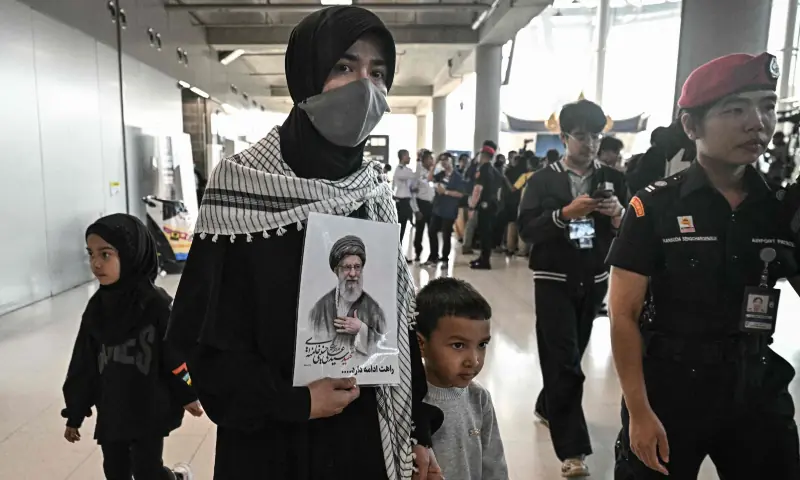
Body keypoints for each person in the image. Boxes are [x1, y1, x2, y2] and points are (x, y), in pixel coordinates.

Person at [165, 7, 443, 480]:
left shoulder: (372, 190)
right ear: (304, 75)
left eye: (378, 73)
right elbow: (198, 346)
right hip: (273, 443)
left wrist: (417, 433)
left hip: (364, 438)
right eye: (344, 67)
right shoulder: (242, 189)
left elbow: (392, 327)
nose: (365, 87)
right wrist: (295, 401)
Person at [608, 52, 800, 479]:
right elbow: (623, 315)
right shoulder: (653, 207)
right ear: (692, 126)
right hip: (670, 389)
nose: (758, 123)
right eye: (736, 109)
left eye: (767, 106)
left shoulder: (781, 210)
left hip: (756, 384)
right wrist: (638, 411)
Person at [517, 99, 628, 478]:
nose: (591, 143)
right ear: (564, 138)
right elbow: (528, 228)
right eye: (581, 135)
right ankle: (573, 450)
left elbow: (627, 233)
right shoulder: (543, 180)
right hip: (552, 279)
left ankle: (549, 406)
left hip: (594, 278)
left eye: (596, 135)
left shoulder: (612, 179)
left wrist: (617, 215)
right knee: (564, 362)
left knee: (571, 356)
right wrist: (565, 214)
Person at [62, 214, 202, 480]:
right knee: (115, 471)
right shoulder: (97, 309)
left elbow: (176, 355)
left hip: (148, 406)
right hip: (112, 408)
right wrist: (76, 411)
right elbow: (84, 362)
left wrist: (188, 393)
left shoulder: (156, 305)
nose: (95, 263)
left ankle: (176, 478)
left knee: (147, 470)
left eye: (106, 255)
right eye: (91, 254)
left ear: (131, 254)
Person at [415, 278, 509, 480]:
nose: (473, 360)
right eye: (458, 345)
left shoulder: (479, 398)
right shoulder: (408, 400)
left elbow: (493, 466)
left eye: (482, 345)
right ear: (421, 344)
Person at [309, 235, 387, 357]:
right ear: (336, 271)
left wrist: (361, 329)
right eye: (346, 267)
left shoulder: (375, 310)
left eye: (357, 267)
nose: (352, 273)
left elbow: (386, 347)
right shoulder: (319, 309)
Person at [426, 152, 467, 266]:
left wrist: (446, 192)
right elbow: (429, 178)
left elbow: (461, 194)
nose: (444, 162)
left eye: (446, 160)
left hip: (449, 209)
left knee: (446, 234)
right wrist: (434, 164)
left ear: (451, 161)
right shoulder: (441, 174)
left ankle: (445, 258)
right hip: (438, 207)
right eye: (442, 160)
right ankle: (433, 256)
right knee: (432, 231)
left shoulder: (458, 177)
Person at [468, 146, 501, 270]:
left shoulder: (483, 169)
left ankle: (485, 261)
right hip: (492, 205)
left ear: (483, 156)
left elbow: (478, 188)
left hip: (484, 205)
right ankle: (483, 257)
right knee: (487, 232)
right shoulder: (494, 170)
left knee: (484, 233)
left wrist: (472, 206)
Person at [412, 150, 436, 262]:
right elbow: (412, 192)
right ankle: (417, 253)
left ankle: (434, 255)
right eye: (429, 159)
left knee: (433, 231)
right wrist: (416, 210)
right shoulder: (417, 173)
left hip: (433, 205)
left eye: (432, 158)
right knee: (419, 231)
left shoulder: (435, 172)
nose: (432, 160)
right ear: (424, 160)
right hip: (421, 204)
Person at [394, 149, 416, 244]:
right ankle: (398, 245)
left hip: (407, 199)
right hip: (402, 200)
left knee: (404, 224)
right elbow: (414, 176)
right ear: (402, 157)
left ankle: (400, 245)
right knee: (401, 224)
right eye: (407, 156)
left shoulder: (407, 170)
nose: (409, 158)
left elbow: (411, 183)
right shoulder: (399, 170)